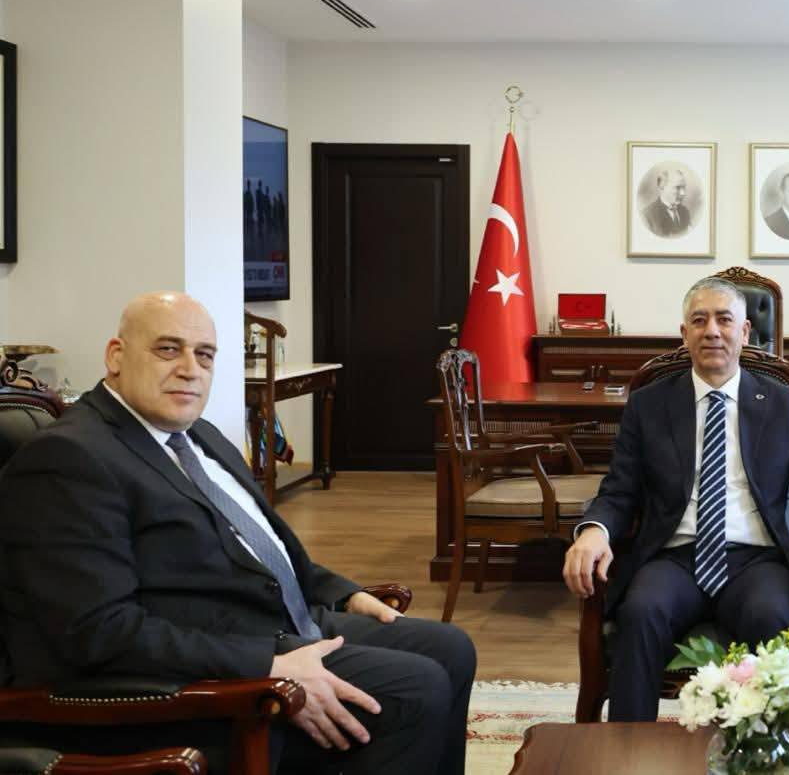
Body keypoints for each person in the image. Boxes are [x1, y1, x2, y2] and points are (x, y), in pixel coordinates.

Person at [0, 292, 476, 774]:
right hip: (182, 680)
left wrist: (341, 593)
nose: (191, 369)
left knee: (451, 649)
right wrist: (267, 666)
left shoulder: (198, 435)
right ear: (116, 356)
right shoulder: (69, 459)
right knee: (413, 689)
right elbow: (99, 632)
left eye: (204, 354)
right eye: (168, 349)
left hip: (267, 622)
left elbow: (255, 546)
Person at [562, 277, 789, 721]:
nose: (712, 330)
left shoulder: (783, 404)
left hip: (757, 560)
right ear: (684, 334)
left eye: (724, 320)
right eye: (699, 320)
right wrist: (594, 531)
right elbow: (619, 490)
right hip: (675, 557)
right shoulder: (649, 405)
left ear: (744, 332)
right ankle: (628, 749)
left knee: (771, 617)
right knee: (641, 612)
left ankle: (768, 749)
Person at [641, 167, 693, 237]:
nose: (683, 193)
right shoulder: (647, 216)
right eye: (677, 187)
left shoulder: (684, 211)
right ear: (662, 187)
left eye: (684, 187)